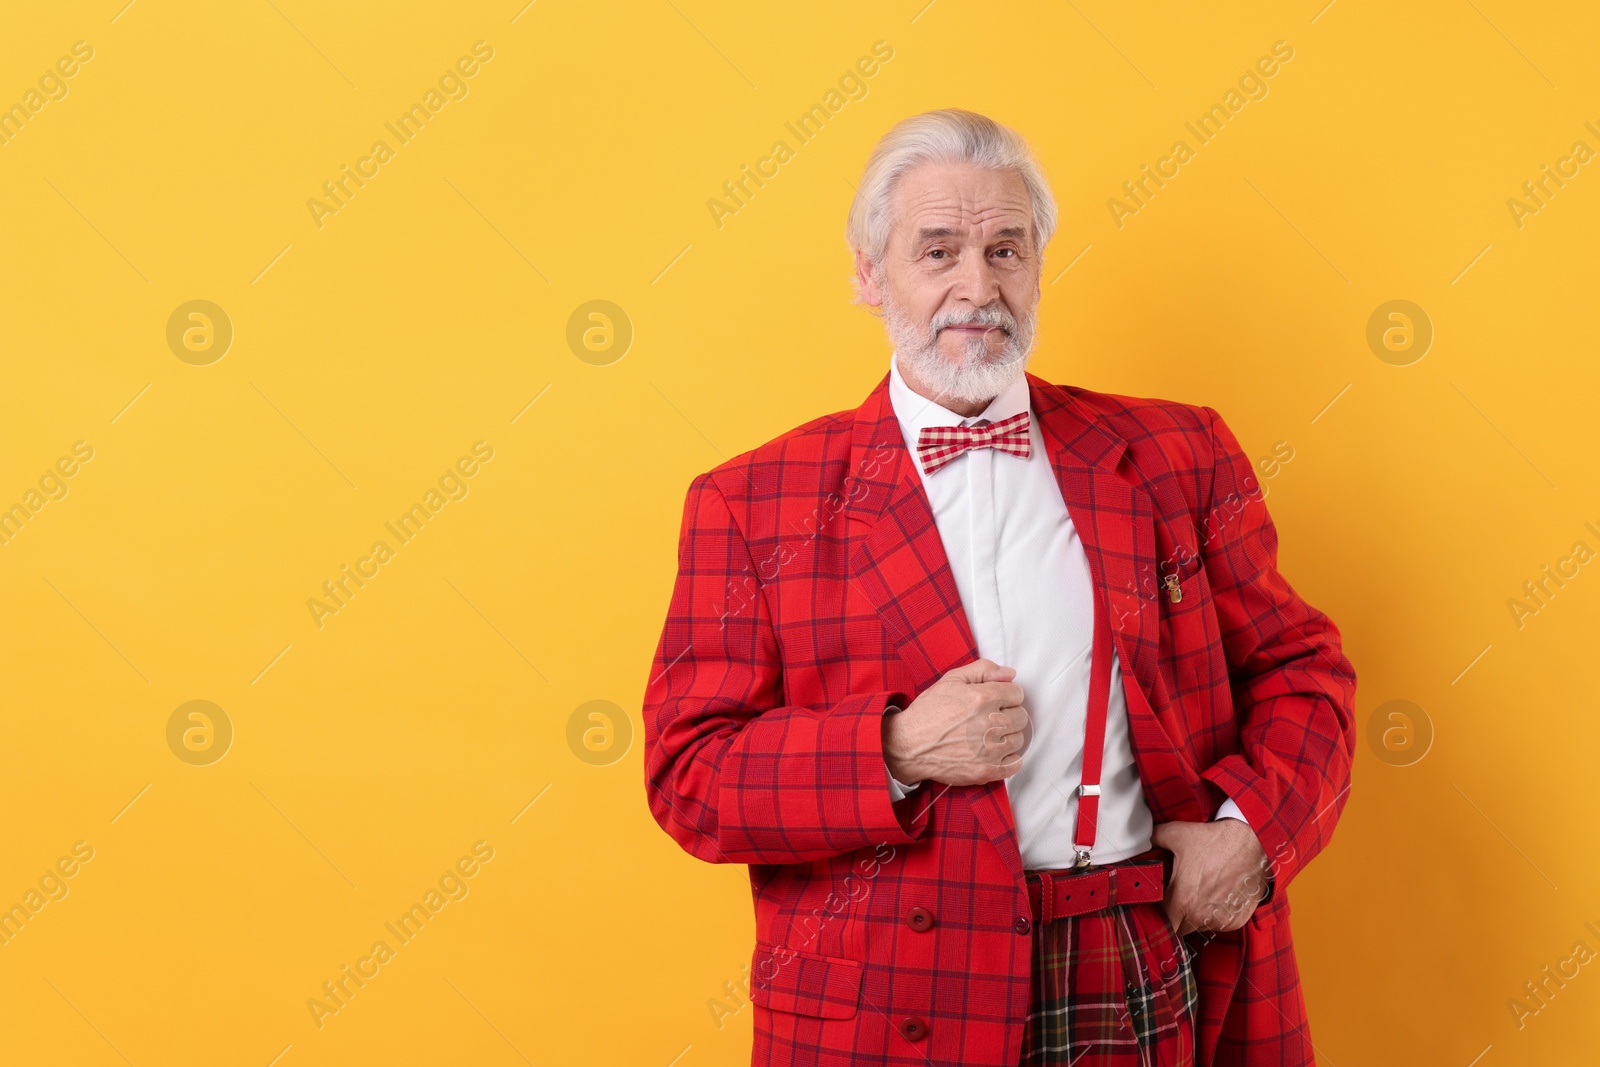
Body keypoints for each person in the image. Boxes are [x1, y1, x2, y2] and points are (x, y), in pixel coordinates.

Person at [643, 107, 1356, 1067]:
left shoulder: (1180, 454)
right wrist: (894, 747)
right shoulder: (750, 501)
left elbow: (1304, 673)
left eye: (1005, 250)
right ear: (868, 273)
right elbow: (690, 775)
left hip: (1135, 956)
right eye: (937, 251)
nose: (977, 287)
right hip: (890, 996)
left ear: (1036, 265)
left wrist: (1250, 833)